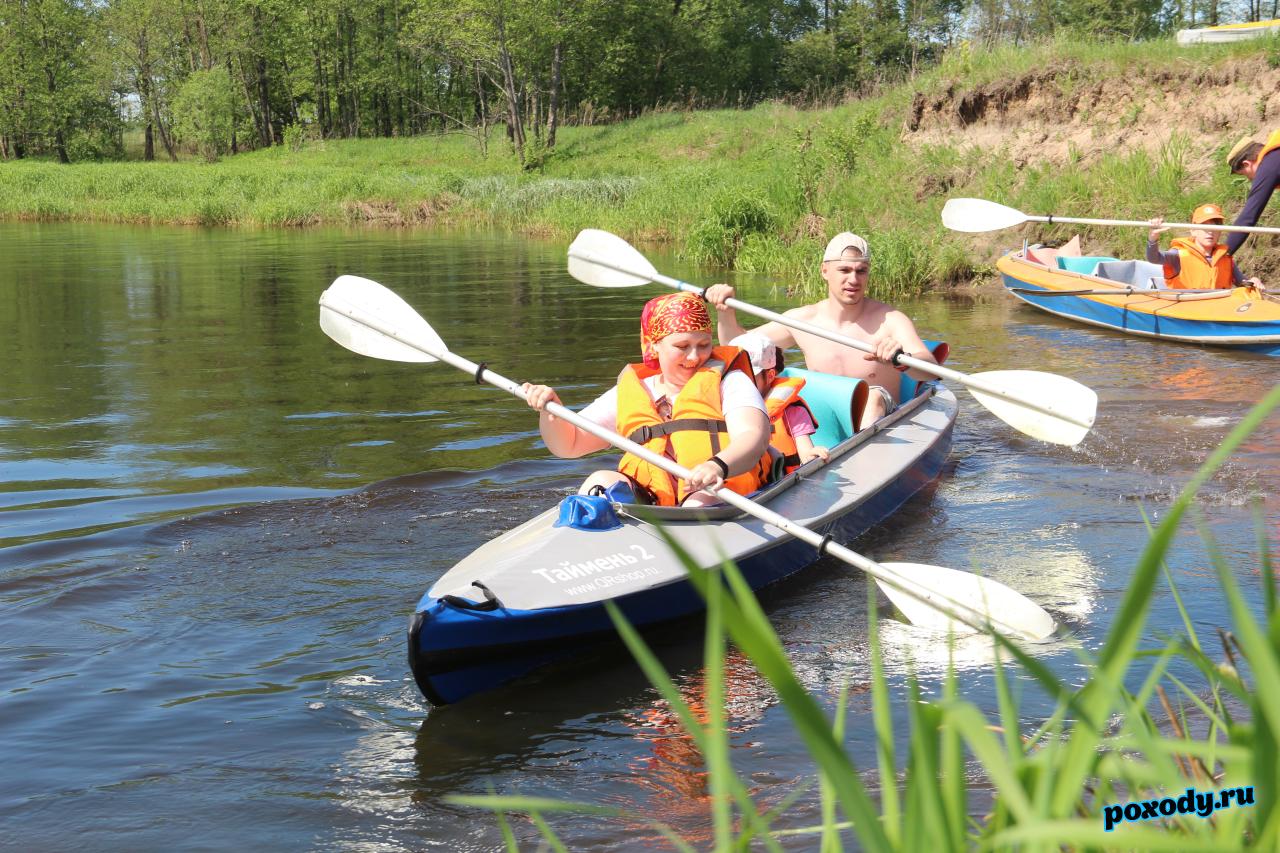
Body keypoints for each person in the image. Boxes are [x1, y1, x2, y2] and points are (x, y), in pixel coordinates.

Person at [521, 292, 771, 508]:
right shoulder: (634, 391)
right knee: (600, 482)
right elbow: (570, 444)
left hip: (719, 487)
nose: (695, 357)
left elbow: (753, 436)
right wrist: (550, 411)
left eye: (704, 344)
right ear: (654, 347)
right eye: (682, 346)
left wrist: (717, 466)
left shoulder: (730, 380)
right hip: (652, 496)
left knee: (698, 501)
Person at [705, 232, 938, 431]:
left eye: (861, 271)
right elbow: (738, 348)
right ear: (825, 271)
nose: (853, 279)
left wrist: (902, 360)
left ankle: (862, 458)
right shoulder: (801, 321)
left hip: (880, 422)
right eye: (844, 270)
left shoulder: (891, 320)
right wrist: (725, 311)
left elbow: (930, 368)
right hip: (823, 418)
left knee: (873, 396)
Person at [728, 332, 829, 473]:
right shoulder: (726, 405)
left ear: (769, 376)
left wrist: (810, 457)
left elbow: (805, 452)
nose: (738, 384)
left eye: (747, 377)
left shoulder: (793, 411)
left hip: (778, 485)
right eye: (732, 377)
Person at [1147, 203, 1264, 290]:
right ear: (1193, 231)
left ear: (1220, 232)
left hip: (1217, 308)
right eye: (1205, 227)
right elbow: (1154, 258)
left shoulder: (1225, 258)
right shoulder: (1178, 255)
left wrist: (1252, 281)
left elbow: (1242, 283)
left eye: (1215, 228)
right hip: (1187, 308)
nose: (1210, 232)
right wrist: (1153, 237)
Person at [1224, 129, 1280, 256]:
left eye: (1246, 175)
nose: (1251, 179)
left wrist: (1223, 255)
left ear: (1247, 164)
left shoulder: (1269, 165)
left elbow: (1248, 218)